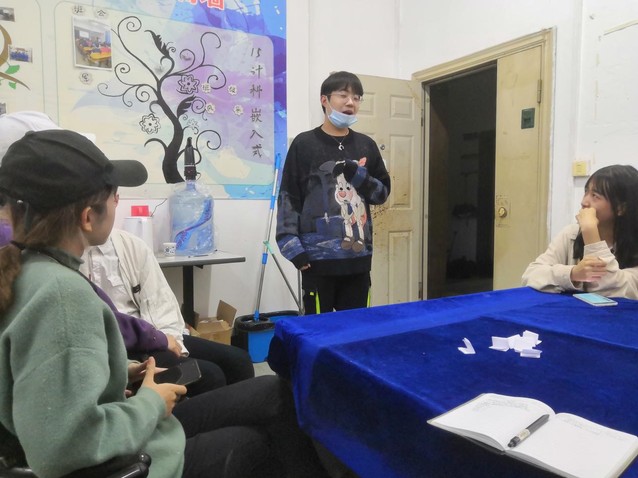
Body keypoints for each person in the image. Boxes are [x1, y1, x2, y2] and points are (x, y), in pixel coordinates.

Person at [0, 129, 329, 478]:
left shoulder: (28, 271)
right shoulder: (61, 295)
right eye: (113, 195)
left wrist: (120, 368)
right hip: (131, 456)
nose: (117, 201)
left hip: (129, 428)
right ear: (87, 217)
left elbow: (49, 379)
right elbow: (64, 448)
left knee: (273, 390)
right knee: (258, 441)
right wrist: (152, 403)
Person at [81, 227, 255, 395]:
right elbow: (108, 324)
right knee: (210, 375)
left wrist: (171, 340)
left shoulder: (130, 245)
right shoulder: (71, 261)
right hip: (122, 347)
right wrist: (160, 341)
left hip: (150, 334)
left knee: (239, 361)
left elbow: (161, 303)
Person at [276, 71, 391, 314]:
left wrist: (357, 174)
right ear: (324, 100)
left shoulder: (366, 145)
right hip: (316, 264)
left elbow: (381, 194)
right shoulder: (304, 144)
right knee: (319, 331)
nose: (351, 102)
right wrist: (293, 250)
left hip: (358, 264)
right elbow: (288, 198)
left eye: (357, 97)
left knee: (356, 330)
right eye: (343, 95)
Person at [522, 164, 638, 298]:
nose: (584, 202)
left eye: (595, 196)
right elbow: (531, 275)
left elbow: (609, 292)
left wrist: (590, 232)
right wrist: (572, 274)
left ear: (620, 208)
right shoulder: (571, 233)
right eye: (586, 192)